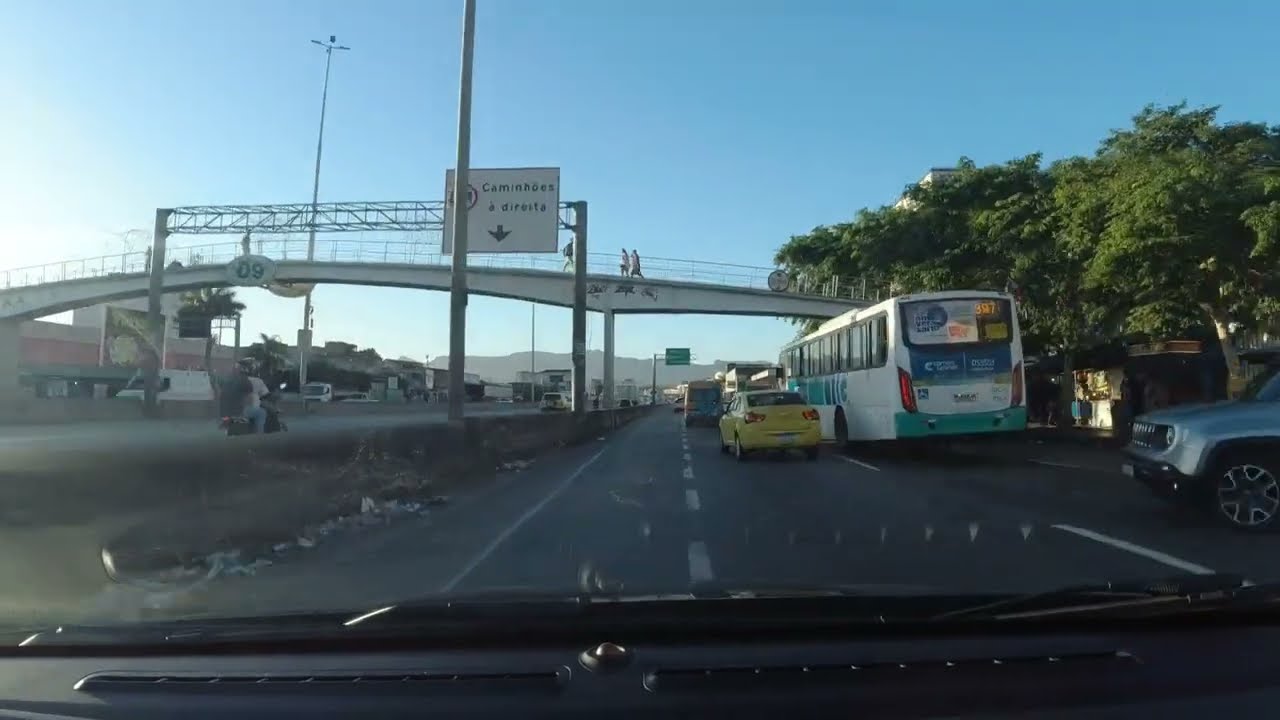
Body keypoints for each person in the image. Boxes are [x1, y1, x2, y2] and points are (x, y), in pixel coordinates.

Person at [235, 360, 270, 433]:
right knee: (262, 413)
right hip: (247, 409)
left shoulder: (232, 380)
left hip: (229, 409)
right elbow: (265, 395)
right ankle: (259, 435)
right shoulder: (257, 381)